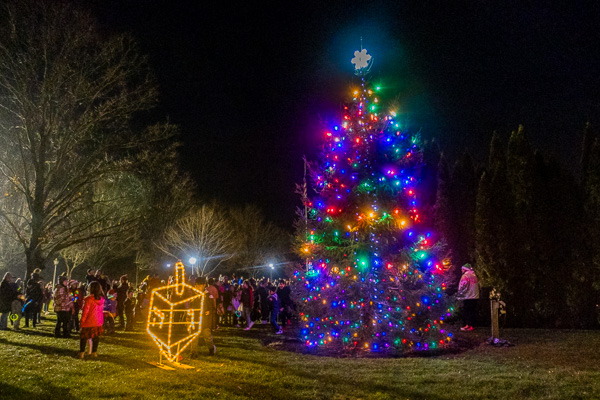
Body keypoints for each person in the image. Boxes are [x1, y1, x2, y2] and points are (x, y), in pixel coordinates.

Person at [79, 281, 105, 359]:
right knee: (96, 338)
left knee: (83, 338)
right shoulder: (101, 300)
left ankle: (82, 353)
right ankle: (94, 352)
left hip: (88, 322)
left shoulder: (88, 300)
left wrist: (82, 321)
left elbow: (85, 312)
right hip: (98, 321)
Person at [457, 263, 479, 331]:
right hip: (475, 296)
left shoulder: (465, 276)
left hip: (468, 296)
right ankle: (473, 325)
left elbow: (464, 286)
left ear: (465, 269)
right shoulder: (474, 275)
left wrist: (460, 294)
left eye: (462, 269)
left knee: (467, 312)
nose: (461, 270)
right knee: (473, 312)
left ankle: (468, 325)